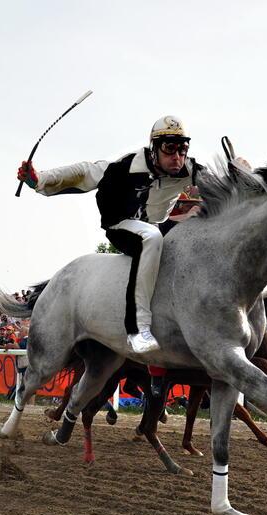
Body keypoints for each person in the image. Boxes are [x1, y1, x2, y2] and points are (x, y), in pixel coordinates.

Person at [18, 115, 204, 354]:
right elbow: (86, 173)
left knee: (198, 233)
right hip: (121, 225)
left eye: (182, 149)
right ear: (154, 149)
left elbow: (223, 182)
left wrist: (241, 171)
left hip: (157, 224)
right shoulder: (125, 167)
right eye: (169, 148)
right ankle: (137, 329)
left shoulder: (190, 169)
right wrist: (38, 179)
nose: (177, 156)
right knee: (151, 238)